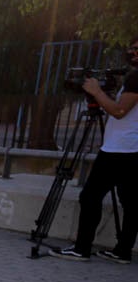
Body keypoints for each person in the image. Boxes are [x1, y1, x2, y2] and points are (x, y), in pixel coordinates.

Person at [54, 38, 138, 263]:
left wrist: (96, 92)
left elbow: (119, 111)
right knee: (131, 202)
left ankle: (82, 248)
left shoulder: (136, 78)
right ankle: (122, 251)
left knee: (90, 196)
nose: (131, 53)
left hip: (119, 150)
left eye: (136, 49)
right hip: (131, 149)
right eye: (131, 48)